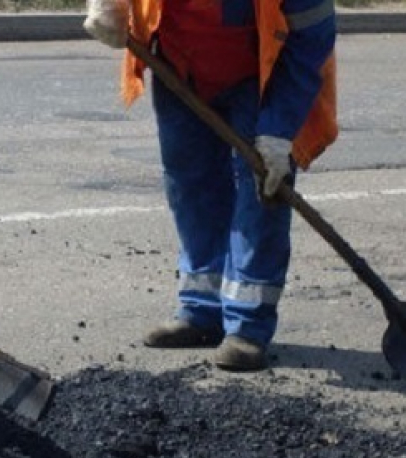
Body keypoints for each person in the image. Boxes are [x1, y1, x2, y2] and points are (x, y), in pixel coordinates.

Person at [84, 0, 338, 371]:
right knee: (190, 186)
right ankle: (202, 307)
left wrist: (279, 131)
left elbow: (311, 38)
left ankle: (248, 325)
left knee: (260, 192)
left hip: (260, 74)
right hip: (178, 63)